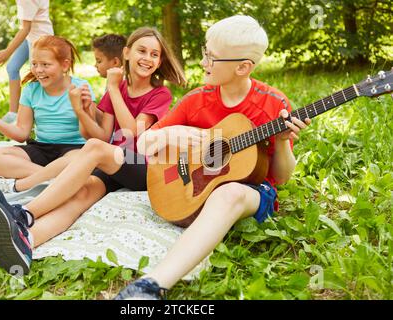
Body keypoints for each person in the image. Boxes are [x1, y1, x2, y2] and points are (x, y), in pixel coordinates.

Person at [114, 15, 312, 299]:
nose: (203, 62)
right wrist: (170, 135)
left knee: (229, 193)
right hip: (195, 188)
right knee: (218, 189)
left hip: (254, 190)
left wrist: (281, 144)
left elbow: (280, 178)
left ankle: (152, 285)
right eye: (205, 52)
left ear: (244, 67)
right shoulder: (196, 99)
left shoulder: (274, 103)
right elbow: (143, 143)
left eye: (212, 58)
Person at [0, 27, 186, 275]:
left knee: (95, 149)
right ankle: (27, 242)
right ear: (127, 53)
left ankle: (24, 214)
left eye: (154, 54)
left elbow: (132, 133)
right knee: (81, 193)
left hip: (143, 165)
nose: (147, 58)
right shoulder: (113, 91)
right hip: (114, 164)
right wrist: (83, 110)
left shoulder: (159, 94)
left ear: (160, 61)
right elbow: (101, 136)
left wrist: (115, 89)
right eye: (142, 51)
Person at [0, 33, 128, 193]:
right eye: (34, 64)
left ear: (65, 65)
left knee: (78, 160)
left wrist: (84, 108)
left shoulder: (79, 87)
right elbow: (21, 134)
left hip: (74, 149)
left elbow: (89, 131)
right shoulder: (31, 90)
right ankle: (53, 179)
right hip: (42, 149)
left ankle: (29, 182)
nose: (38, 70)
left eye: (45, 64)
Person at [0, 0, 54, 124]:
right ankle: (13, 113)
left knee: (38, 76)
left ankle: (42, 114)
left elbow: (25, 28)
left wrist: (7, 52)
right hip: (30, 37)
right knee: (12, 68)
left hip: (40, 40)